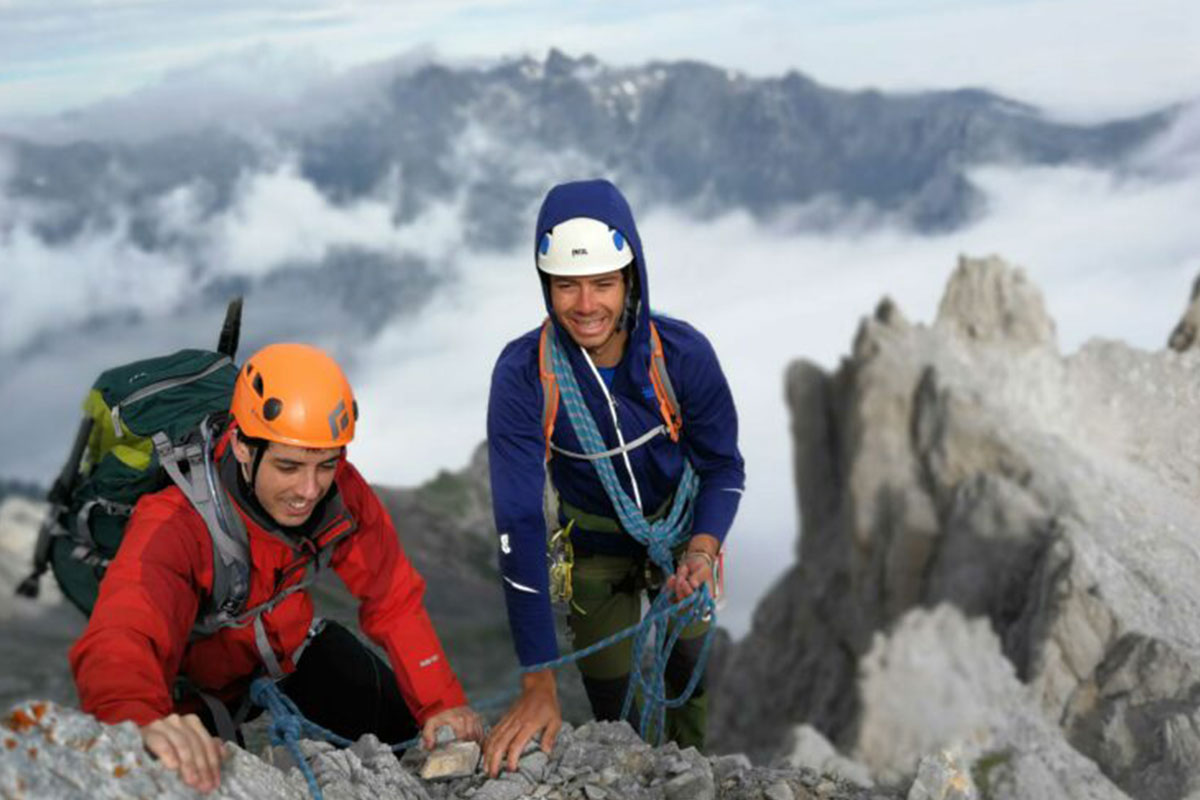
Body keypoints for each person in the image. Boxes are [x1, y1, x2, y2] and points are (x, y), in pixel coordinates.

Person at [69, 343, 481, 793]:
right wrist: (139, 721)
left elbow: (391, 596)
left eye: (326, 463)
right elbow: (124, 630)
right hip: (195, 695)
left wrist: (441, 704)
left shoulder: (339, 491)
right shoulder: (174, 522)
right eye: (288, 466)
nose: (308, 489)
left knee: (403, 723)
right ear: (244, 447)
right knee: (189, 776)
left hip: (285, 654)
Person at [482, 179, 745, 776]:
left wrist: (702, 550)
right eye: (566, 284)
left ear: (632, 278)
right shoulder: (526, 375)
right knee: (614, 710)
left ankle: (690, 776)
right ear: (545, 284)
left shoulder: (680, 356)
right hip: (594, 550)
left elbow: (723, 465)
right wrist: (537, 680)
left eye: (603, 282)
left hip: (683, 539)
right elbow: (519, 519)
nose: (585, 304)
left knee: (687, 674)